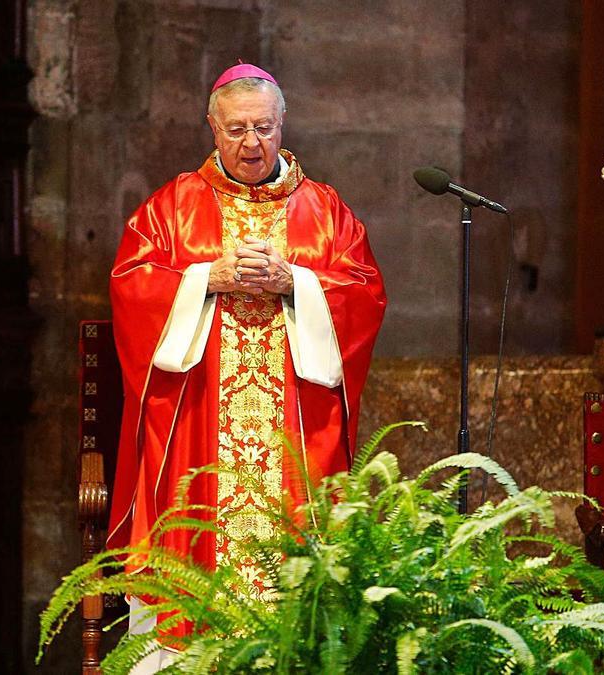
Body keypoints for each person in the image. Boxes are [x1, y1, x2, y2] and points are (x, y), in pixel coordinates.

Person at [107, 62, 386, 642]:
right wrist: (205, 277)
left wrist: (297, 282)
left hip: (296, 434)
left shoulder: (327, 211)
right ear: (212, 127)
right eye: (236, 130)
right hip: (198, 429)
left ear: (283, 125)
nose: (251, 143)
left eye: (263, 127)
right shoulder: (172, 207)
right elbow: (131, 283)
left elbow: (365, 291)